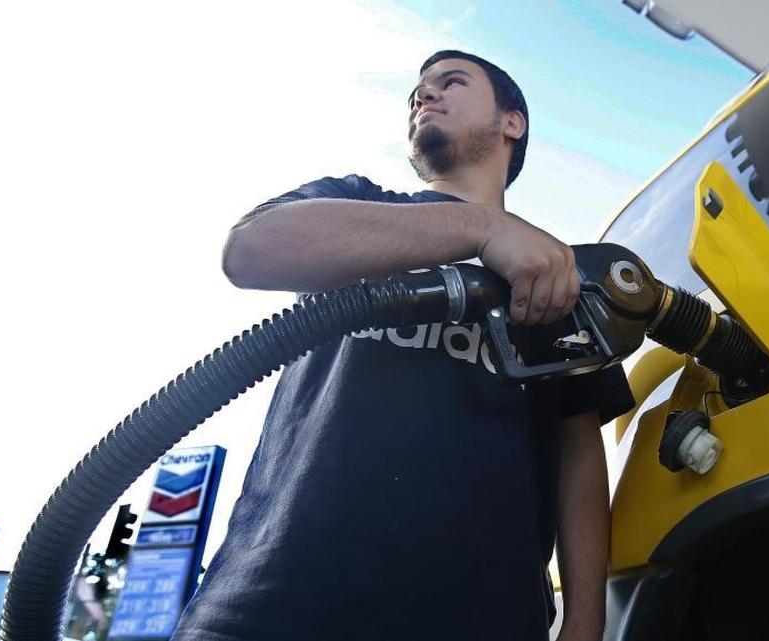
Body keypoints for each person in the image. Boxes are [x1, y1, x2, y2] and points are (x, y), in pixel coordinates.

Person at [171, 50, 634, 641]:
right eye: (417, 91)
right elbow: (251, 250)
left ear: (512, 122)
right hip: (270, 603)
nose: (424, 96)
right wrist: (480, 227)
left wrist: (586, 623)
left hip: (481, 618)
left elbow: (579, 453)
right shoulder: (358, 206)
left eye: (451, 82)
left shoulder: (553, 271)